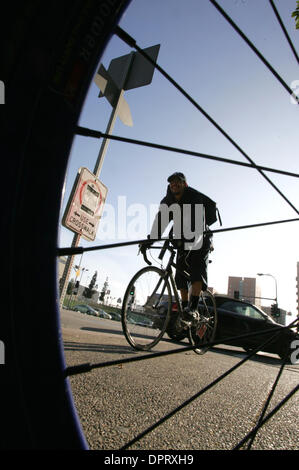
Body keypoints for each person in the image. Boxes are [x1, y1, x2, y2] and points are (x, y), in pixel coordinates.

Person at [141, 172, 215, 323]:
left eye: (178, 182)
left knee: (196, 268)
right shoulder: (168, 201)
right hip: (182, 238)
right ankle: (185, 308)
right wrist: (149, 241)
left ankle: (193, 309)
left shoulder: (194, 197)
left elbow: (198, 222)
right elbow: (160, 222)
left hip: (201, 236)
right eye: (171, 182)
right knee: (180, 274)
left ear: (184, 184)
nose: (174, 184)